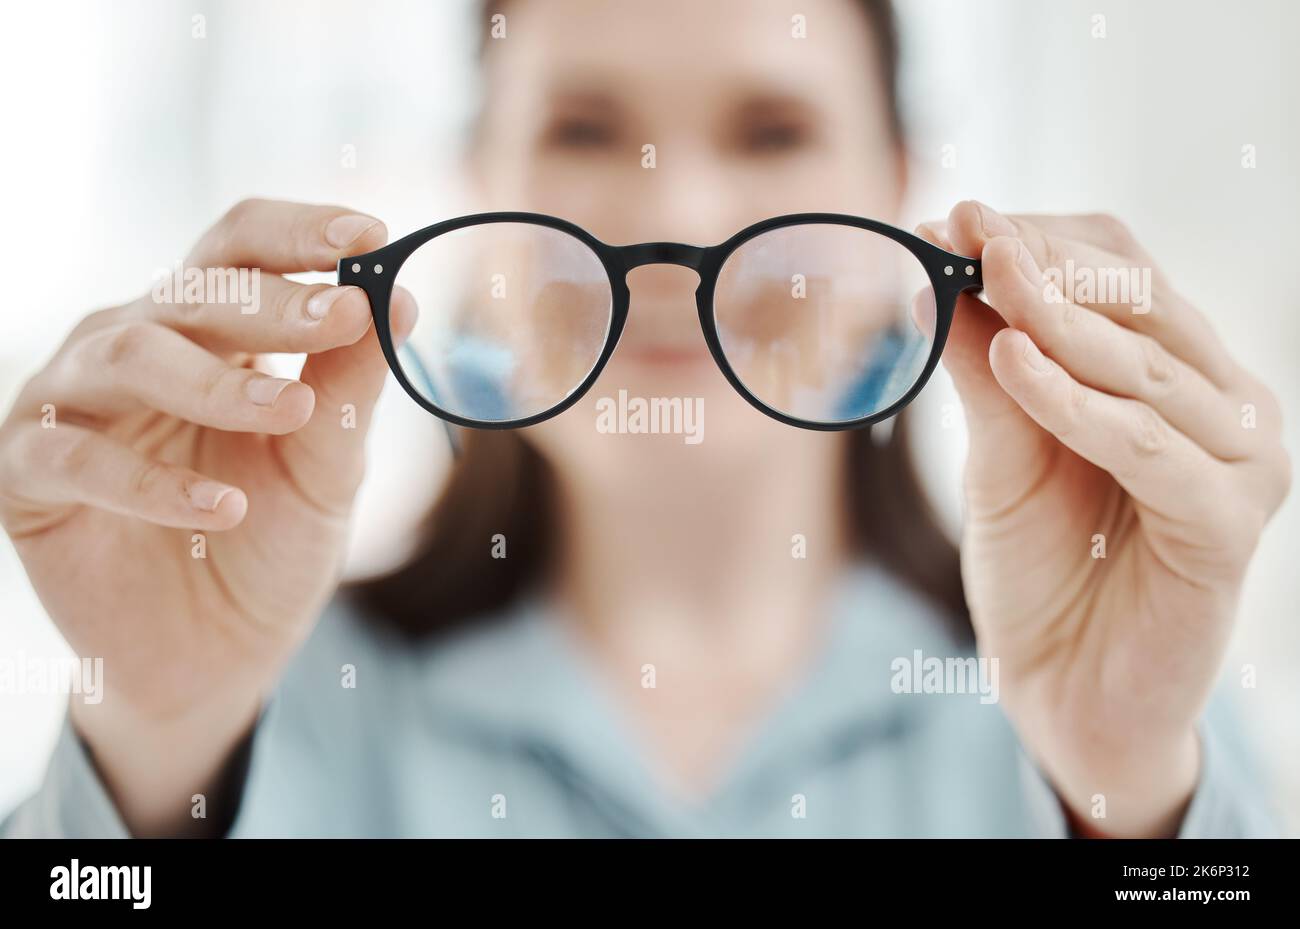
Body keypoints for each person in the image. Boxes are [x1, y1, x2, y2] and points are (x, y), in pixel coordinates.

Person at [1, 0, 1289, 838]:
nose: (677, 229)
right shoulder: (273, 703)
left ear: (904, 197)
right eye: (585, 126)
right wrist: (149, 741)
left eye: (773, 129)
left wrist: (1126, 800)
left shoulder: (1124, 707)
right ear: (477, 189)